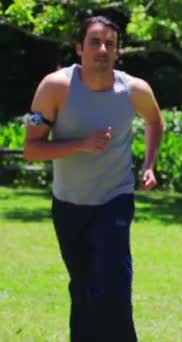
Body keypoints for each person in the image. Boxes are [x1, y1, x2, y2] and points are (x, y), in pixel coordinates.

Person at [23, 15, 164, 341]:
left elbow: (155, 121)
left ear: (117, 51)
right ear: (79, 48)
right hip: (68, 204)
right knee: (83, 284)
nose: (103, 49)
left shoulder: (134, 90)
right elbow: (32, 149)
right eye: (95, 42)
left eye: (110, 44)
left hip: (114, 198)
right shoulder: (54, 87)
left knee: (113, 281)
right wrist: (81, 145)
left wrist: (150, 164)